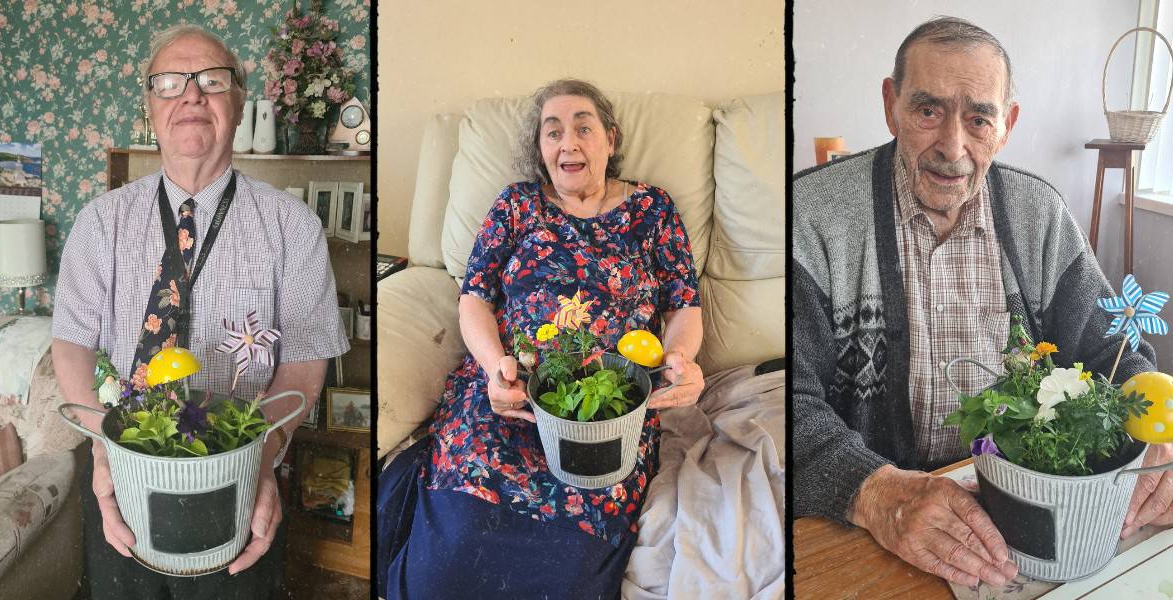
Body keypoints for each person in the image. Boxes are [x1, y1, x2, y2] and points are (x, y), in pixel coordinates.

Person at [793, 16, 1173, 588]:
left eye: (978, 118)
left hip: (1033, 510)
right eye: (927, 111)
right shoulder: (812, 215)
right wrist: (874, 493)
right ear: (891, 104)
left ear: (1007, 124)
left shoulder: (1039, 214)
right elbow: (790, 403)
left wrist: (1160, 438)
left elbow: (1114, 350)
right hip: (875, 526)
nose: (953, 146)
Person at [376, 78, 705, 598]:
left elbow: (683, 304)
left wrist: (681, 358)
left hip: (605, 407)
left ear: (611, 140)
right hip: (511, 397)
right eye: (552, 133)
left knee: (566, 572)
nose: (567, 143)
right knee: (445, 563)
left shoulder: (653, 210)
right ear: (540, 149)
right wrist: (493, 368)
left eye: (582, 128)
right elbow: (474, 297)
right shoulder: (517, 205)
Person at [51, 24, 347, 599]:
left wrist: (261, 466)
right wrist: (103, 450)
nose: (191, 95)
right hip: (121, 472)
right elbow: (71, 342)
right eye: (169, 83)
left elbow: (305, 362)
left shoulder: (293, 227)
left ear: (238, 105)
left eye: (212, 80)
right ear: (150, 106)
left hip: (240, 476)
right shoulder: (99, 222)